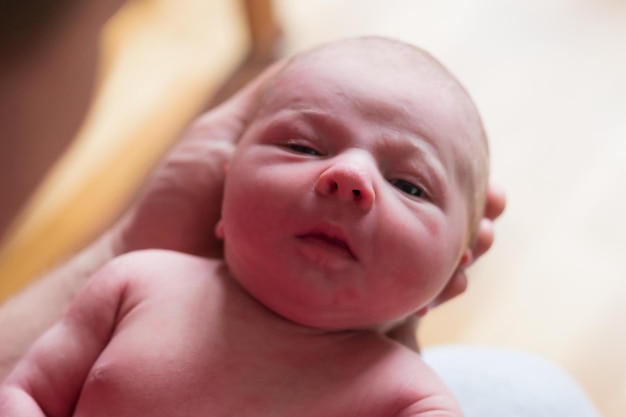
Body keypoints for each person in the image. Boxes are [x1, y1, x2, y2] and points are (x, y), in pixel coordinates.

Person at [0, 1, 600, 417]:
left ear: (453, 269)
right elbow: (21, 392)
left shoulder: (409, 400)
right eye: (303, 146)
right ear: (224, 187)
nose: (348, 177)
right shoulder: (133, 283)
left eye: (411, 186)